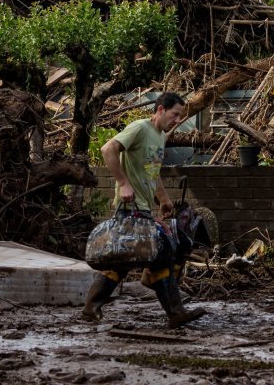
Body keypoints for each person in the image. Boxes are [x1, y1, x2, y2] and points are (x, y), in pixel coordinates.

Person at [82, 92, 205, 327]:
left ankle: (93, 307)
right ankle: (173, 309)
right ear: (160, 110)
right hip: (128, 207)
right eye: (174, 114)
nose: (177, 120)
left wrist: (163, 199)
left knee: (130, 261)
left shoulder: (159, 137)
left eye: (180, 116)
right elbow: (108, 149)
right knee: (150, 256)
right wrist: (122, 182)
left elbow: (152, 171)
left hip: (144, 208)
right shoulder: (139, 128)